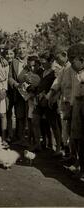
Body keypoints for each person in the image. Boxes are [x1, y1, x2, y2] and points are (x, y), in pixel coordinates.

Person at [66, 43, 84, 181]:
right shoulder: (75, 73)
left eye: (73, 62)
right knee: (77, 140)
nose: (71, 64)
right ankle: (80, 167)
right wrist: (71, 107)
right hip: (77, 108)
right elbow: (73, 93)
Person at [8, 41, 29, 146]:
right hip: (17, 93)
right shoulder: (14, 62)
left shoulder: (31, 61)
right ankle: (20, 137)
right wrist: (15, 84)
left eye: (24, 48)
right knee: (19, 115)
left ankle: (31, 139)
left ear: (27, 49)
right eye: (20, 48)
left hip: (30, 94)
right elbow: (10, 76)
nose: (22, 50)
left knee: (30, 117)